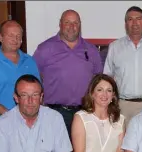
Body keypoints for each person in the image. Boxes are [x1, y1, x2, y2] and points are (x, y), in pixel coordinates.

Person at [33, 9, 103, 140]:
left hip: (85, 112)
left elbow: (98, 80)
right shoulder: (45, 48)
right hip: (55, 112)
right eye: (67, 22)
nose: (72, 27)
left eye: (75, 23)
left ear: (80, 25)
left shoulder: (91, 50)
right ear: (60, 24)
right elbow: (33, 79)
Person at [0, 20, 40, 136]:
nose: (15, 39)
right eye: (11, 35)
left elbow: (38, 90)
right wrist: (8, 114)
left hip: (29, 121)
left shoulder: (30, 61)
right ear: (1, 38)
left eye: (18, 36)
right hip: (0, 120)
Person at [103, 6, 142, 127]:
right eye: (130, 19)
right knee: (122, 143)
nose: (135, 23)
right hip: (122, 106)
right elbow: (107, 78)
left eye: (139, 19)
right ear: (126, 24)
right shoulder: (115, 47)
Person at [66, 74, 124, 152]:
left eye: (109, 90)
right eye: (100, 90)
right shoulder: (80, 117)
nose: (104, 94)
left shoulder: (120, 120)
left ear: (113, 96)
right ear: (92, 93)